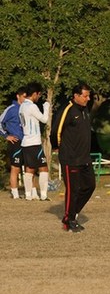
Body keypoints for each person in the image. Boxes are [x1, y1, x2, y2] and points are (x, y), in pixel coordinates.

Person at [50, 84, 95, 232]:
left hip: (85, 158)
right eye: (85, 96)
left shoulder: (85, 110)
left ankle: (71, 214)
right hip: (70, 158)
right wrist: (57, 147)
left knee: (90, 186)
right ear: (76, 96)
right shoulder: (67, 110)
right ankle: (69, 220)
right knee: (73, 189)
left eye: (89, 96)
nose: (88, 99)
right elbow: (56, 130)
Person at [19, 82, 51, 201]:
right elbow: (44, 119)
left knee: (29, 169)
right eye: (38, 95)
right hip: (34, 142)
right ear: (34, 94)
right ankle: (43, 195)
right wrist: (47, 106)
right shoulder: (32, 106)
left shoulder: (22, 106)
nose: (38, 97)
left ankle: (28, 195)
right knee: (43, 168)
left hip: (26, 141)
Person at [0, 87, 26, 199]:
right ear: (18, 96)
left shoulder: (27, 108)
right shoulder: (11, 109)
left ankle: (30, 193)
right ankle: (15, 195)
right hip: (15, 142)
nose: (25, 99)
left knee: (30, 167)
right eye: (24, 96)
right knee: (15, 168)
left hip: (27, 142)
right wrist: (6, 136)